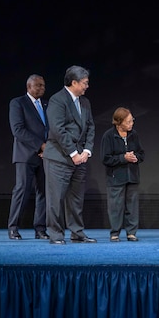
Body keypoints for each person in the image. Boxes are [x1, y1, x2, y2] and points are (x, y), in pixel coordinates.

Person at [42, 65, 96, 245]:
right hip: (59, 157)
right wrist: (73, 153)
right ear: (74, 82)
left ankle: (77, 232)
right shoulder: (58, 100)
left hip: (80, 158)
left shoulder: (85, 102)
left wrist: (87, 151)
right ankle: (56, 234)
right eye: (84, 83)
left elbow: (90, 127)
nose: (87, 86)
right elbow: (58, 130)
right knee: (56, 198)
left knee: (76, 199)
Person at [6, 74, 49, 240]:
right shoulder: (18, 103)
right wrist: (40, 145)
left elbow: (50, 128)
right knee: (22, 190)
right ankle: (13, 227)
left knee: (44, 193)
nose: (41, 88)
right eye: (38, 85)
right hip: (25, 155)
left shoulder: (47, 104)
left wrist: (48, 147)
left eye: (43, 85)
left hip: (45, 156)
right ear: (29, 86)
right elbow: (18, 130)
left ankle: (40, 229)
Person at [101, 107, 145, 242]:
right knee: (116, 207)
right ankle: (115, 233)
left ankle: (131, 233)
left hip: (132, 176)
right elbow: (106, 158)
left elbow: (141, 153)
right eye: (128, 122)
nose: (132, 124)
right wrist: (123, 158)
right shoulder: (109, 136)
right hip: (116, 178)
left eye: (132, 121)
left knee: (132, 206)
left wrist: (136, 157)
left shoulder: (134, 135)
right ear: (119, 122)